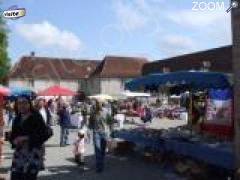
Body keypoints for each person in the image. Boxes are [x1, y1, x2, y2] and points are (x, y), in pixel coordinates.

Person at [9, 96, 51, 180]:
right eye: (19, 103)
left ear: (29, 104)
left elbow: (46, 133)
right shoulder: (17, 119)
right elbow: (13, 136)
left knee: (28, 177)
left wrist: (26, 138)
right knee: (15, 176)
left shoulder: (36, 116)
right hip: (19, 153)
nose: (22, 105)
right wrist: (13, 140)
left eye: (25, 102)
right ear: (16, 105)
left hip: (33, 152)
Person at [89, 100, 109, 173]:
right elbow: (90, 123)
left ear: (102, 103)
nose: (98, 104)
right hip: (96, 133)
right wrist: (89, 129)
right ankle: (99, 166)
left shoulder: (106, 111)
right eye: (97, 103)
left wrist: (110, 131)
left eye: (100, 103)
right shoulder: (93, 112)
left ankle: (101, 162)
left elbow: (110, 121)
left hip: (104, 133)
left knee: (103, 150)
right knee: (97, 150)